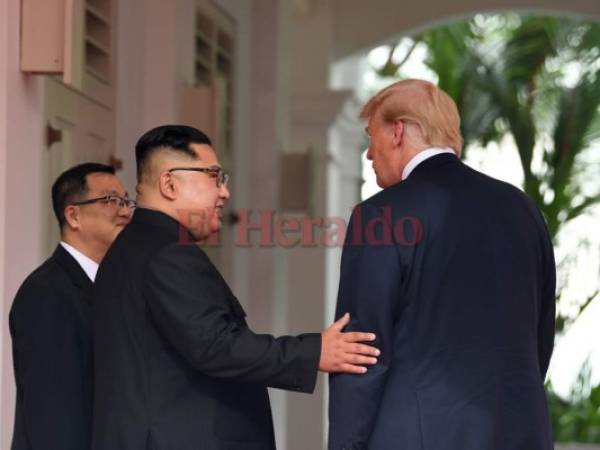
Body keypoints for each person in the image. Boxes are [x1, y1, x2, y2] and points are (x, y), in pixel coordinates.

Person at [91, 125, 380, 450]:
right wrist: (314, 352)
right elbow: (216, 346)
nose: (224, 192)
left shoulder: (133, 247)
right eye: (214, 176)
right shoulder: (167, 253)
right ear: (169, 184)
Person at [328, 79, 556, 450]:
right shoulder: (522, 208)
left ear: (397, 131)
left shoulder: (379, 215)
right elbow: (540, 333)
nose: (369, 154)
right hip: (518, 433)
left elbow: (363, 352)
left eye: (372, 137)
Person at [9, 163, 134, 450]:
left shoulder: (113, 285)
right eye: (111, 200)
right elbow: (52, 409)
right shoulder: (47, 292)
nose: (126, 211)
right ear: (73, 215)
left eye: (127, 201)